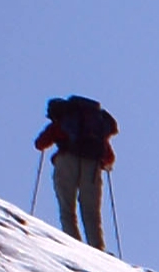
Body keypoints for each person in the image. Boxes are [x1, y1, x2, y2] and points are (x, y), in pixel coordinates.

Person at [32, 96, 118, 248]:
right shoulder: (95, 129)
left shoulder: (62, 122)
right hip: (92, 167)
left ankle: (73, 247)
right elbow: (109, 157)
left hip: (66, 161)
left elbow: (40, 144)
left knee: (67, 209)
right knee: (91, 213)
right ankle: (97, 250)